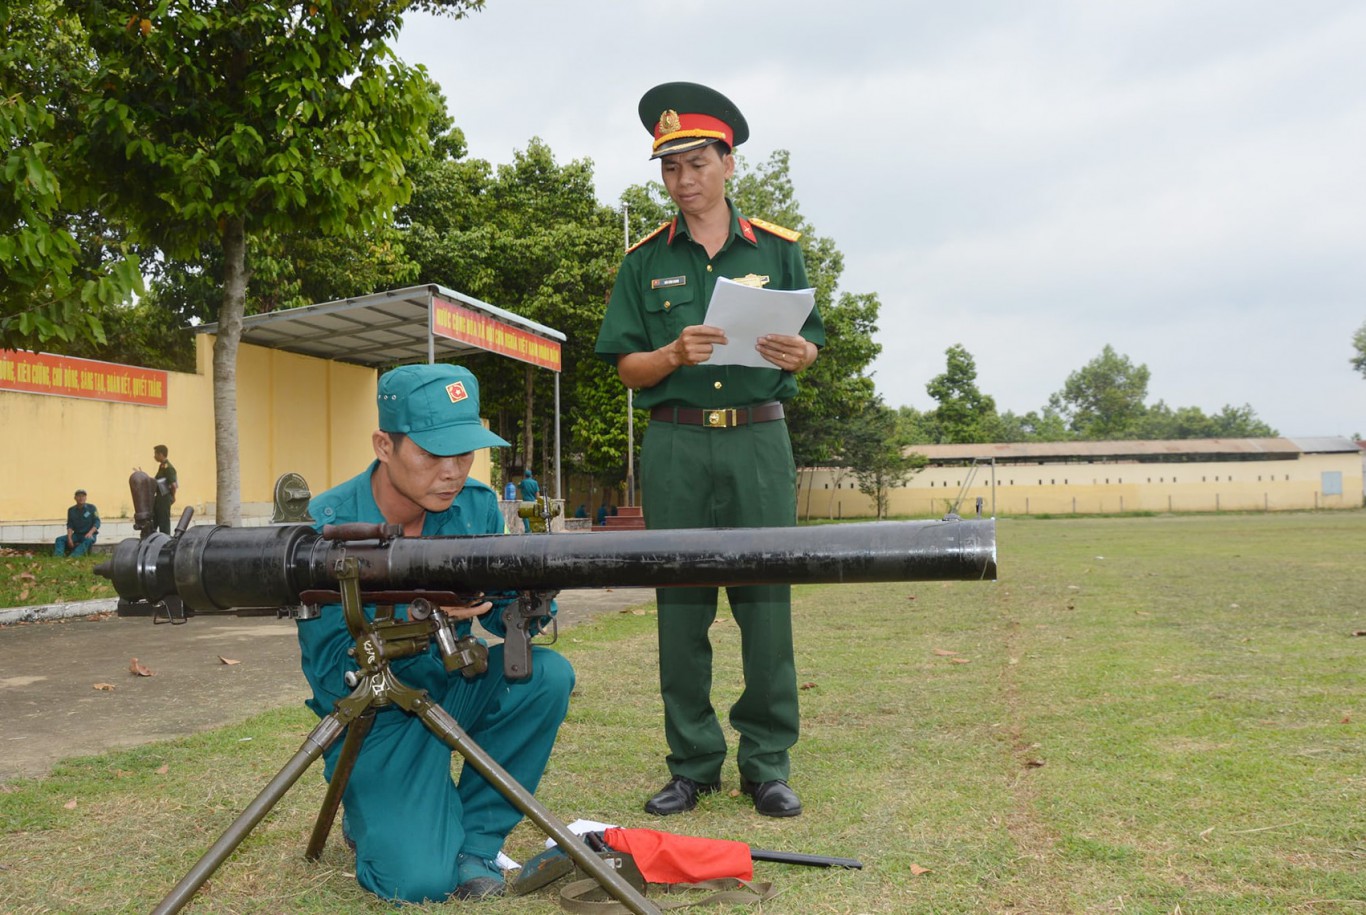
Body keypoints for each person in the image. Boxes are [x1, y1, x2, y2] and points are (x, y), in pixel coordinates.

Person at [594, 82, 825, 819]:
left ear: (730, 163)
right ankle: (692, 763)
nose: (683, 180)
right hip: (677, 443)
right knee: (680, 605)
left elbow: (813, 342)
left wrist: (800, 354)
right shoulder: (642, 263)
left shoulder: (779, 251)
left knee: (767, 605)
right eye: (670, 168)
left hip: (759, 438)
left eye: (697, 162)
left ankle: (767, 764)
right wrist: (669, 353)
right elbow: (628, 368)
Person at [296, 363, 575, 903]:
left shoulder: (474, 504)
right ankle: (379, 810)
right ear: (384, 445)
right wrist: (426, 612)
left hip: (452, 681)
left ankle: (476, 842)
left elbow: (494, 616)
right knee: (418, 883)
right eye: (431, 455)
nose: (452, 471)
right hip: (377, 713)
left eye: (464, 454)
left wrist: (529, 599)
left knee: (544, 677)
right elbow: (333, 666)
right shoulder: (327, 523)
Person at [53, 489, 100, 557]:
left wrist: (90, 533)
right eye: (79, 496)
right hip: (77, 535)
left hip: (89, 534)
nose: (81, 498)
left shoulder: (92, 508)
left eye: (83, 496)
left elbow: (97, 522)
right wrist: (69, 538)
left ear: (86, 498)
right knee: (59, 539)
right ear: (75, 498)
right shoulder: (71, 510)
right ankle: (58, 557)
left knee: (89, 540)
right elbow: (70, 525)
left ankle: (73, 556)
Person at [152, 444, 177, 534]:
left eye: (155, 454)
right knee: (155, 519)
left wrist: (173, 497)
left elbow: (173, 485)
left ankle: (166, 542)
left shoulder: (168, 468)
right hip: (159, 497)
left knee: (164, 522)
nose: (154, 456)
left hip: (164, 497)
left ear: (161, 454)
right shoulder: (162, 466)